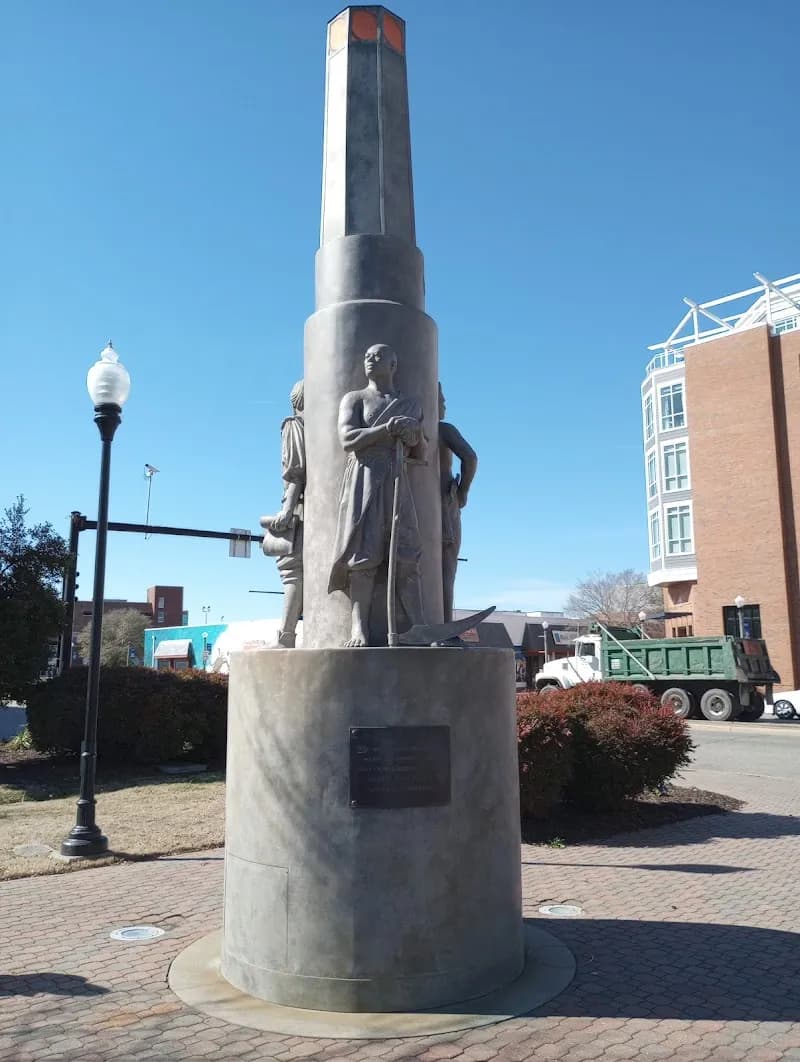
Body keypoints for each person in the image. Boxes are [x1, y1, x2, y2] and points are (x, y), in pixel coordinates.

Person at [329, 345, 425, 646]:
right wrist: (386, 429)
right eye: (367, 355)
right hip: (364, 477)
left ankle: (419, 627)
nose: (370, 359)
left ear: (394, 364)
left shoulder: (410, 404)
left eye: (379, 355)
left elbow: (420, 452)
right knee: (363, 557)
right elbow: (347, 438)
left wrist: (411, 434)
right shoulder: (355, 398)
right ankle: (359, 629)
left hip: (397, 478)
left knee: (407, 554)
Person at [260, 380, 305, 648]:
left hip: (301, 508)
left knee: (293, 571)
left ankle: (286, 637)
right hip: (309, 506)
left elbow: (295, 472)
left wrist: (287, 510)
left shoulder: (294, 425)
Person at [438, 383, 477, 622]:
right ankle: (444, 623)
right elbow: (470, 457)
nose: (444, 405)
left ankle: (441, 622)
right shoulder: (443, 430)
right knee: (447, 568)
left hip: (416, 504)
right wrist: (463, 492)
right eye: (441, 401)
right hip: (444, 502)